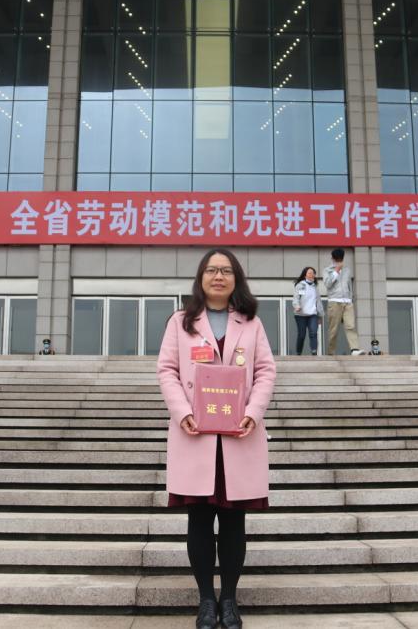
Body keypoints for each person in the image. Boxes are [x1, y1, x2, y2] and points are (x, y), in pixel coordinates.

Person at [157, 248, 276, 629]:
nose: (219, 277)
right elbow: (167, 370)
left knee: (234, 523)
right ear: (201, 278)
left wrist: (253, 412)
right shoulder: (181, 321)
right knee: (199, 521)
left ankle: (229, 600)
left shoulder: (251, 323)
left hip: (239, 435)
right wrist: (183, 412)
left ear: (236, 278)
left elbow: (265, 371)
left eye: (226, 270)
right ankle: (206, 600)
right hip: (196, 434)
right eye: (211, 270)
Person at [323, 248, 363, 355]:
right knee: (333, 329)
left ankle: (354, 349)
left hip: (347, 302)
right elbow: (327, 284)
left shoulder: (347, 270)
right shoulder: (327, 270)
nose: (339, 261)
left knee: (351, 325)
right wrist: (336, 271)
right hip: (334, 302)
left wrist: (350, 299)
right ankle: (331, 352)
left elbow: (349, 285)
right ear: (333, 258)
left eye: (341, 259)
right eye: (338, 259)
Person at [291, 266, 320, 355]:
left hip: (313, 314)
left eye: (313, 273)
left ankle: (314, 351)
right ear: (305, 275)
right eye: (309, 273)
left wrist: (320, 315)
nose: (312, 275)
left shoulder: (315, 287)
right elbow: (296, 298)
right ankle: (298, 352)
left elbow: (318, 302)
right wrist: (297, 306)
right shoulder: (300, 285)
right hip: (300, 314)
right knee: (302, 335)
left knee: (313, 333)